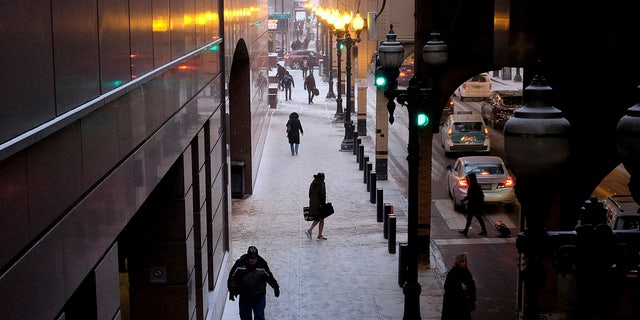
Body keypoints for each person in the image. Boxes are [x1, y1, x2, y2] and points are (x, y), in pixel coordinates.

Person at [228, 246, 280, 320]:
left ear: (257, 257)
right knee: (245, 317)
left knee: (259, 316)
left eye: (254, 258)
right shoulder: (240, 264)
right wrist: (232, 290)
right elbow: (232, 277)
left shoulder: (262, 265)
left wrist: (275, 287)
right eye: (250, 258)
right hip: (244, 296)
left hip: (259, 296)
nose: (252, 260)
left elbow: (269, 277)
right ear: (247, 257)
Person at [441, 253, 477, 320]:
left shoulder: (466, 272)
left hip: (463, 303)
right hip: (453, 305)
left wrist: (471, 298)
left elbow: (471, 285)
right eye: (462, 262)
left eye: (465, 262)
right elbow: (447, 287)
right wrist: (460, 287)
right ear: (458, 262)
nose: (464, 263)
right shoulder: (452, 273)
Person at [305, 172, 327, 240]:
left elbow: (309, 194)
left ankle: (316, 233)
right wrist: (323, 204)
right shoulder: (322, 184)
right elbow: (323, 195)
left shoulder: (313, 183)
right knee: (321, 219)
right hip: (319, 204)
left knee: (318, 218)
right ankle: (313, 232)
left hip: (313, 203)